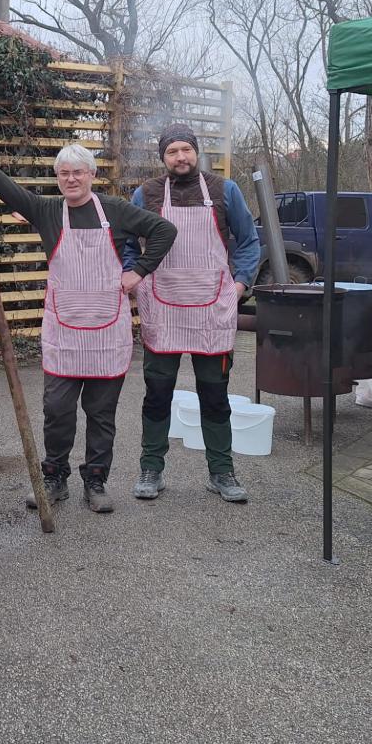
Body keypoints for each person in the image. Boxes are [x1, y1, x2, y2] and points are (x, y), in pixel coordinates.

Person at [0, 127, 177, 513]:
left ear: (91, 174)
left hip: (106, 334)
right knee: (57, 410)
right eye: (64, 173)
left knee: (101, 414)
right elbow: (5, 188)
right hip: (64, 334)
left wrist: (139, 271)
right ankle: (54, 478)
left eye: (78, 172)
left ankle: (95, 481)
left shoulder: (115, 210)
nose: (71, 179)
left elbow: (164, 230)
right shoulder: (46, 211)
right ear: (57, 177)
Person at [125, 124, 260, 503]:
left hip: (212, 309)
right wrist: (134, 277)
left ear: (197, 152)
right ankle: (151, 469)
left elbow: (249, 241)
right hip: (163, 308)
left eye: (186, 149)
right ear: (163, 157)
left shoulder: (224, 191)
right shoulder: (146, 194)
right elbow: (127, 244)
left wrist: (240, 284)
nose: (180, 157)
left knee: (214, 395)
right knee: (157, 393)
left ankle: (222, 472)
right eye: (172, 151)